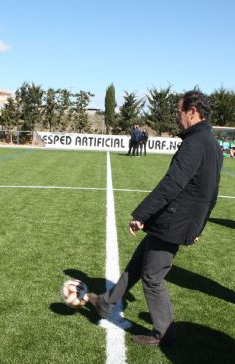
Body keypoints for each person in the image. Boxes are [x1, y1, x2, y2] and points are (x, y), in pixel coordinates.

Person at [87, 90, 223, 346]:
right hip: (177, 220)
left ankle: (165, 333)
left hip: (173, 222)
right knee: (137, 265)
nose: (176, 117)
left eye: (178, 112)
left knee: (152, 277)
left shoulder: (196, 143)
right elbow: (213, 193)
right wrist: (199, 226)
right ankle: (106, 303)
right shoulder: (211, 142)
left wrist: (141, 215)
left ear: (192, 112)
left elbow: (172, 184)